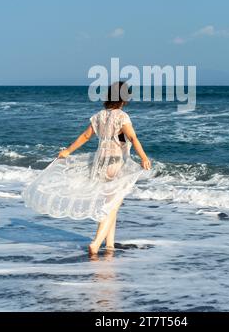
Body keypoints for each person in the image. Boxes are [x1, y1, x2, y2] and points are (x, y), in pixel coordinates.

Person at [22, 81, 151, 256]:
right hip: (115, 164)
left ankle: (110, 245)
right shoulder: (122, 117)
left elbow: (85, 136)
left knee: (110, 205)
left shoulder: (99, 116)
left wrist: (67, 151)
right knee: (112, 206)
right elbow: (133, 138)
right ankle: (96, 243)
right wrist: (144, 158)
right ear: (123, 98)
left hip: (100, 164)